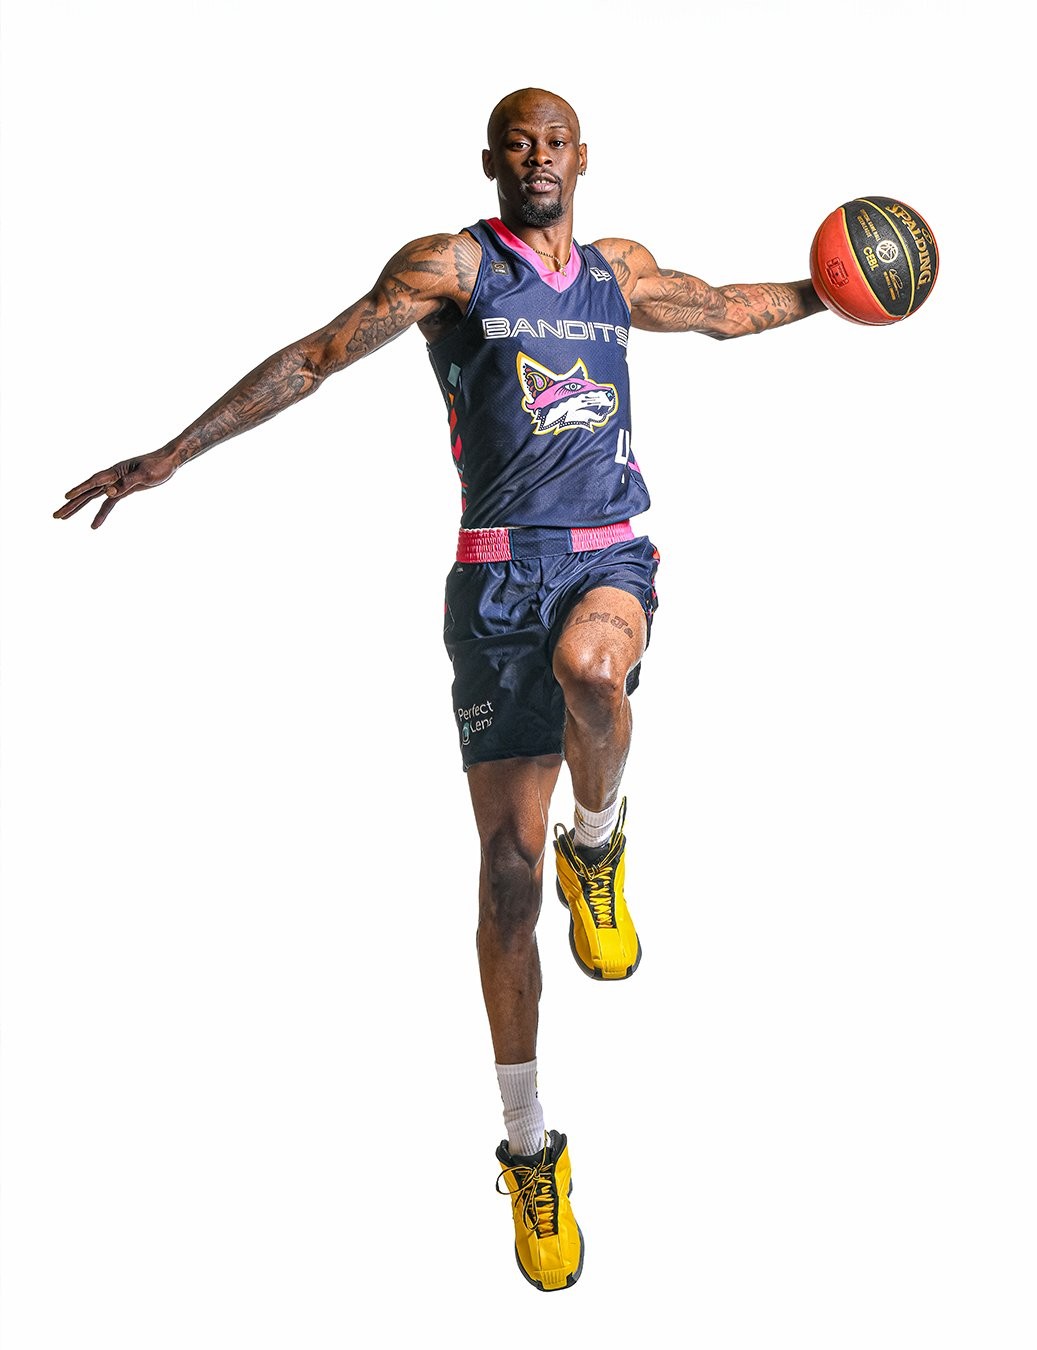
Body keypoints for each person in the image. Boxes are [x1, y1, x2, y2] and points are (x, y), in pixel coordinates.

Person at [55, 87, 827, 1292]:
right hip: (492, 587)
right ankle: (529, 1149)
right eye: (519, 142)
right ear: (491, 160)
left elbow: (728, 309)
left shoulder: (618, 275)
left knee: (596, 671)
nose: (538, 157)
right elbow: (315, 358)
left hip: (604, 560)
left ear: (583, 158)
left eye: (555, 141)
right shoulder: (453, 270)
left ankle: (598, 842)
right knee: (506, 883)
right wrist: (172, 455)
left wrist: (839, 286)